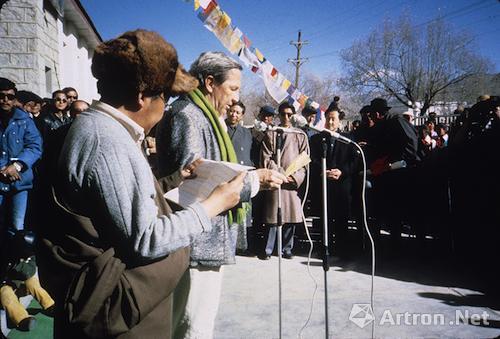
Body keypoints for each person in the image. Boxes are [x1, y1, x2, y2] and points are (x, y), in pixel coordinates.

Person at [37, 30, 246, 338]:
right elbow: (146, 240)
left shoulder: (101, 131)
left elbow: (117, 205)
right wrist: (213, 205)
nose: (167, 107)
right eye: (166, 96)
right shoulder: (106, 140)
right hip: (116, 320)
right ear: (141, 95)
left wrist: (175, 179)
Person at [155, 51, 285, 338]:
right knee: (192, 327)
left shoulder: (203, 115)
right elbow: (192, 180)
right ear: (210, 82)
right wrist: (254, 180)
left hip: (205, 241)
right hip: (194, 244)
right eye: (233, 89)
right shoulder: (188, 115)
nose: (235, 99)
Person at [0, 77, 43, 266]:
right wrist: (3, 169)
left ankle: (17, 267)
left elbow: (35, 146)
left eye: (10, 97)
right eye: (1, 96)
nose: (6, 101)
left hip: (20, 180)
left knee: (18, 226)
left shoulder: (24, 120)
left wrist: (16, 166)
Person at [260, 102, 309, 260]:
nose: (286, 117)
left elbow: (305, 160)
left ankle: (287, 248)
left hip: (292, 182)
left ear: (294, 115)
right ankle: (268, 249)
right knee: (273, 217)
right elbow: (266, 157)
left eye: (289, 114)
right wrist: (279, 174)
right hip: (276, 180)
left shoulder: (300, 135)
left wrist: (294, 178)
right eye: (283, 114)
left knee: (291, 216)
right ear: (279, 115)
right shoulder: (272, 132)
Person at [309, 107, 358, 255]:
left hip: (342, 185)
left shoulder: (348, 139)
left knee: (342, 218)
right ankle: (325, 248)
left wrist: (342, 171)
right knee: (325, 218)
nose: (330, 122)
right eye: (328, 118)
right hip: (323, 184)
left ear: (339, 121)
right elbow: (312, 159)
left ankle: (343, 249)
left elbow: (354, 161)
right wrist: (323, 170)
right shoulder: (317, 138)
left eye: (333, 119)